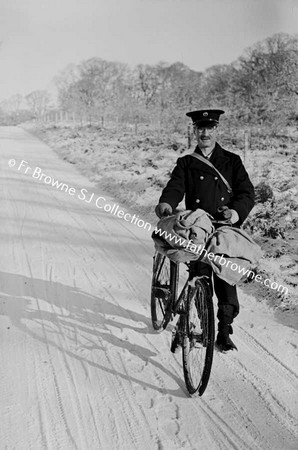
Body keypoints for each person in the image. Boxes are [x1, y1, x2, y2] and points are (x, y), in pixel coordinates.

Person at [155, 109, 255, 352]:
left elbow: (246, 194)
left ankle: (223, 331)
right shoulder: (187, 163)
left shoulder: (232, 161)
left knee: (226, 281)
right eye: (201, 128)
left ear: (217, 130)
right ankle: (204, 324)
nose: (205, 133)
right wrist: (167, 202)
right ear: (194, 131)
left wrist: (235, 212)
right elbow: (175, 187)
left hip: (225, 230)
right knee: (200, 278)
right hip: (197, 228)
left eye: (210, 128)